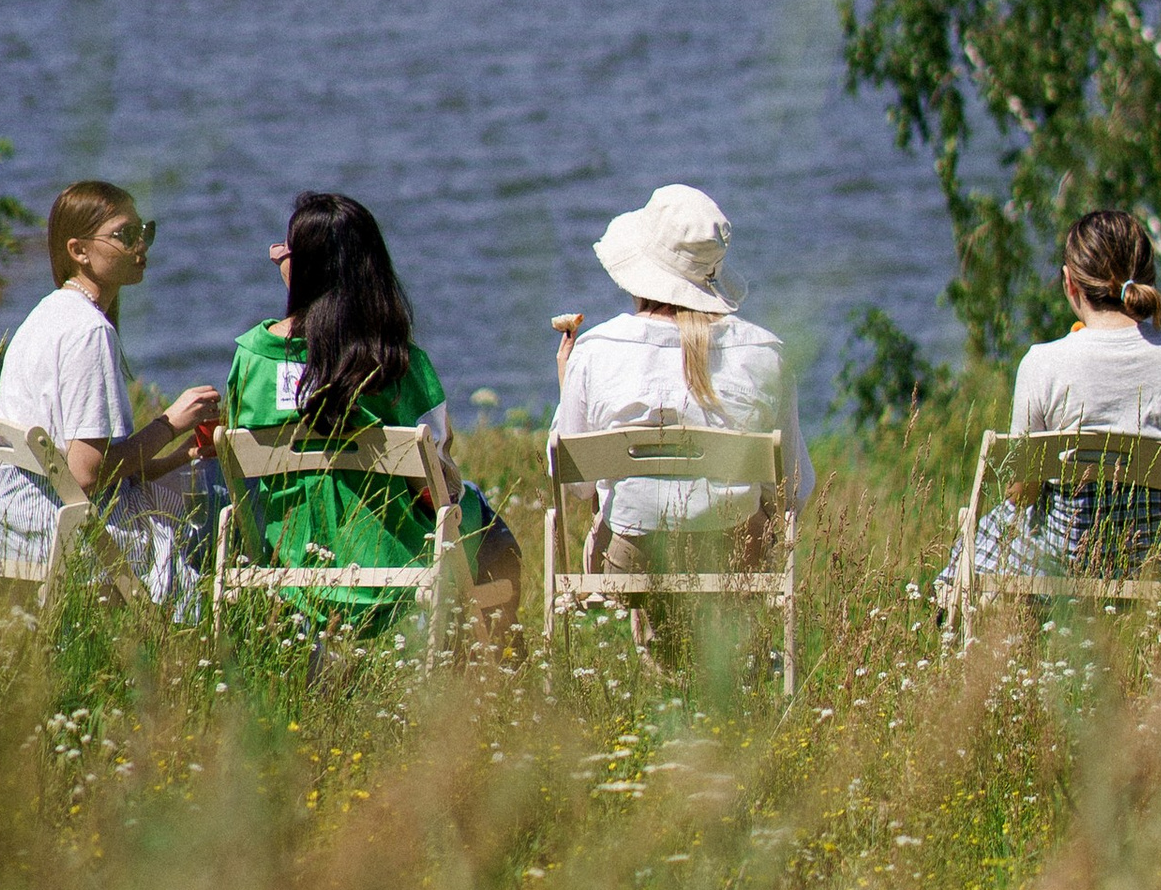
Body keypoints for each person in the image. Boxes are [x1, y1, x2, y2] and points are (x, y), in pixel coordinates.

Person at [225, 190, 522, 640]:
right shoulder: (397, 363)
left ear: (300, 267)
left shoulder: (252, 361)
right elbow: (436, 482)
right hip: (396, 567)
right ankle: (485, 671)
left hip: (293, 567)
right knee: (493, 531)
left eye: (283, 251)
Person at [550, 185, 812, 595]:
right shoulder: (765, 354)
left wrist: (568, 384)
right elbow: (794, 490)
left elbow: (574, 485)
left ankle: (656, 646)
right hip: (736, 558)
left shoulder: (596, 351)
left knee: (617, 508)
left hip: (630, 563)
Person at [943, 208, 1161, 599]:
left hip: (1067, 559)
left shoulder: (1043, 362)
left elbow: (1023, 492)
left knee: (992, 525)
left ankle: (948, 619)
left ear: (1070, 283)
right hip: (1157, 553)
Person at [0, 180, 221, 607]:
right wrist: (171, 424)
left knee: (187, 479)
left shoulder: (45, 315)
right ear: (79, 251)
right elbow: (86, 474)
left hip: (17, 524)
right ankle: (202, 648)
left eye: (143, 233)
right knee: (217, 501)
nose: (140, 246)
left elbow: (69, 467)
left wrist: (172, 459)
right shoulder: (88, 331)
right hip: (67, 533)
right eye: (124, 235)